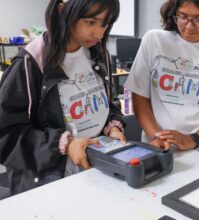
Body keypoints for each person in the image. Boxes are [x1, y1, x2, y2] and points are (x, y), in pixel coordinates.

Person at [0, 0, 126, 196]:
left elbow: (105, 104)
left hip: (96, 175)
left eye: (105, 23)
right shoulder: (31, 62)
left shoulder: (98, 53)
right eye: (90, 22)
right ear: (63, 9)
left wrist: (113, 126)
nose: (99, 33)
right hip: (50, 185)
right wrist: (66, 144)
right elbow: (6, 136)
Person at [124, 0, 199, 156]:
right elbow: (140, 96)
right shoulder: (154, 40)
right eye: (183, 17)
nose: (189, 26)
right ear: (174, 14)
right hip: (155, 146)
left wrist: (193, 140)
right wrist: (156, 135)